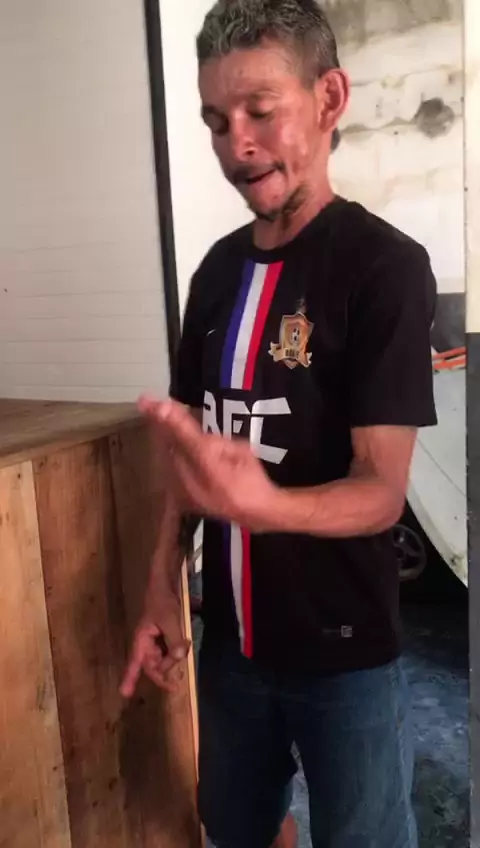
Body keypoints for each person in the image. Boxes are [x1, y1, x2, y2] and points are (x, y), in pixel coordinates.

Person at [121, 1, 437, 846]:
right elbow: (190, 457)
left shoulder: (385, 268)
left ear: (330, 99)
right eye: (216, 121)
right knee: (235, 825)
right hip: (230, 648)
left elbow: (380, 491)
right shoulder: (216, 274)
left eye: (261, 111)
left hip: (348, 659)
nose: (238, 145)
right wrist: (161, 585)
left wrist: (267, 507)